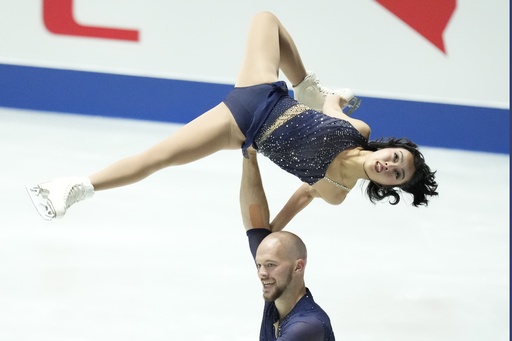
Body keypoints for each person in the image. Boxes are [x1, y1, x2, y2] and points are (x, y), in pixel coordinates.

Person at [26, 12, 438, 229]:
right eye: (397, 157)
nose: (390, 165)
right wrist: (332, 97)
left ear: (389, 188)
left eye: (396, 175)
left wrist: (271, 232)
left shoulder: (335, 191)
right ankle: (304, 85)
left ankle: (76, 186)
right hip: (264, 93)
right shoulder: (359, 132)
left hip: (241, 127)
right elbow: (331, 108)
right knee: (265, 19)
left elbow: (301, 197)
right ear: (388, 146)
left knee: (158, 158)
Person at [240, 150, 335, 340]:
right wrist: (249, 155)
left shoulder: (307, 325)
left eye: (271, 265)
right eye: (260, 265)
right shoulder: (278, 291)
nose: (262, 273)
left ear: (298, 266)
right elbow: (255, 224)